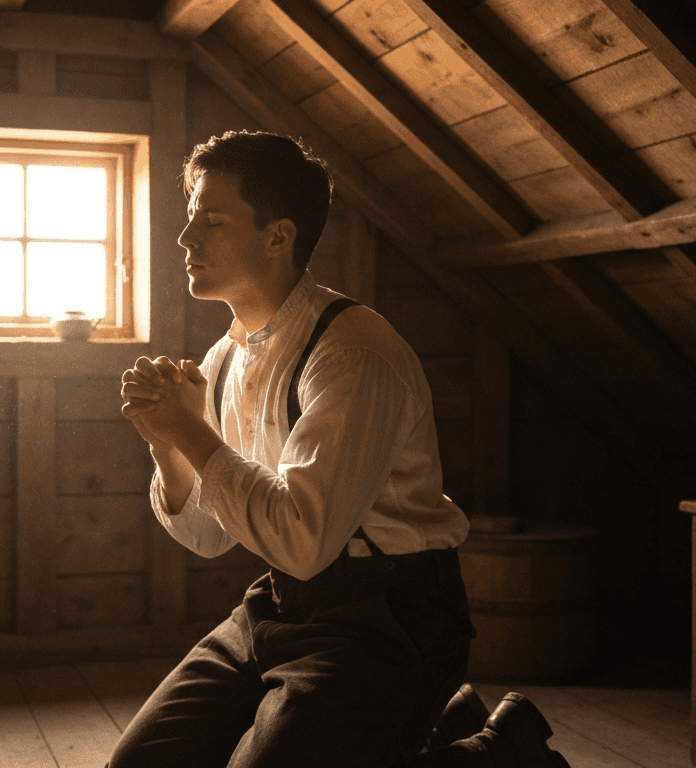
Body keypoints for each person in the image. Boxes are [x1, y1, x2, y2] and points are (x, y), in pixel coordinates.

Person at [113, 130, 569, 768]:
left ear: (278, 237)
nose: (187, 238)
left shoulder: (351, 351)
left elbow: (305, 541)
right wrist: (168, 442)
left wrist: (191, 432)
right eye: (192, 217)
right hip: (279, 607)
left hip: (390, 618)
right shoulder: (223, 361)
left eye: (211, 221)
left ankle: (500, 752)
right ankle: (443, 733)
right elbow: (209, 537)